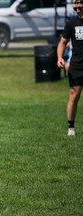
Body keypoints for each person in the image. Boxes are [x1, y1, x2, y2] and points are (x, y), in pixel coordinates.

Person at [57, 0, 83, 136]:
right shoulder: (71, 23)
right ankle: (71, 128)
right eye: (76, 8)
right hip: (77, 65)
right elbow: (62, 42)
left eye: (80, 8)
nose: (78, 11)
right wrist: (60, 57)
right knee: (75, 94)